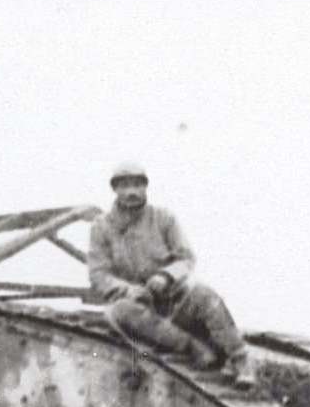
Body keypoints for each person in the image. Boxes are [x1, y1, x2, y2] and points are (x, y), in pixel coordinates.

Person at [85, 163, 253, 388]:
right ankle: (193, 348)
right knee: (119, 311)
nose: (132, 191)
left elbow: (186, 257)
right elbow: (98, 273)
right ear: (115, 190)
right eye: (124, 186)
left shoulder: (164, 218)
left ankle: (241, 360)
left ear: (146, 187)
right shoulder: (102, 227)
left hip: (172, 302)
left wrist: (166, 276)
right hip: (139, 309)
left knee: (204, 294)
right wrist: (127, 289)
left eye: (137, 184)